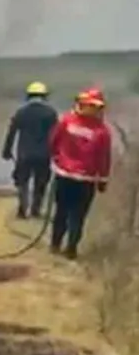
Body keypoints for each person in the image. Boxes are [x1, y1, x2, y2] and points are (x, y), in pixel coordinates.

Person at [48, 88, 112, 259]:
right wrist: (103, 180)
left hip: (64, 175)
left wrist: (56, 159)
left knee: (61, 211)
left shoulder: (66, 121)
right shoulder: (102, 131)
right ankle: (71, 249)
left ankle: (55, 245)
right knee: (78, 215)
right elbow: (104, 158)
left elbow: (53, 142)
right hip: (86, 179)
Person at [2, 81, 59, 218]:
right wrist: (58, 153)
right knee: (41, 183)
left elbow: (12, 132)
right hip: (44, 155)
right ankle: (36, 210)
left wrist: (7, 151)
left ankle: (22, 210)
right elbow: (57, 135)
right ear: (45, 96)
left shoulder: (21, 112)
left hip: (24, 155)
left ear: (28, 96)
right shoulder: (51, 113)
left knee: (22, 182)